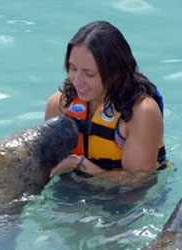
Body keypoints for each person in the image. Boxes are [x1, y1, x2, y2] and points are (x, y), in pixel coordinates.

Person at [43, 20, 167, 190]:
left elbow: (140, 181)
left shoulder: (141, 112)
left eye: (89, 73)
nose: (77, 81)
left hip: (123, 200)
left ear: (115, 73)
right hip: (72, 193)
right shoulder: (58, 105)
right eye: (72, 68)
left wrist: (80, 165)